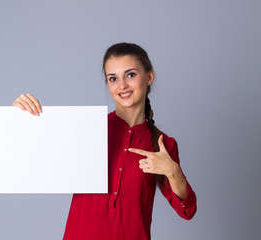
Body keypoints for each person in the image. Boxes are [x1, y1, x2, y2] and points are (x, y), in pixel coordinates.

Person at [12, 42, 197, 240]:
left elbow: (187, 211)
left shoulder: (163, 144)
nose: (122, 85)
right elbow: (31, 159)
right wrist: (20, 117)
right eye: (113, 78)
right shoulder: (85, 130)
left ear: (149, 77)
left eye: (131, 74)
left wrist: (172, 171)